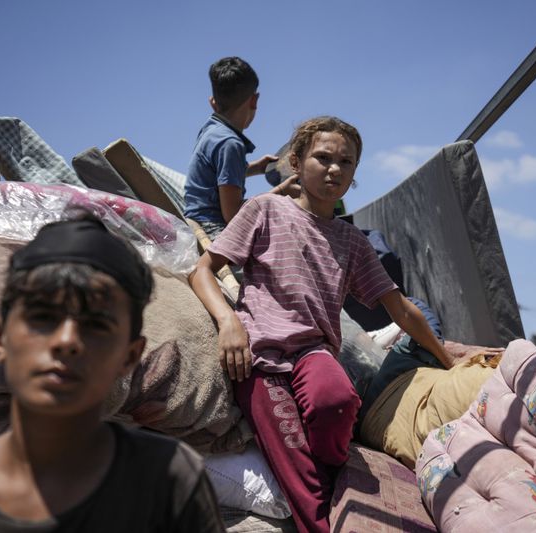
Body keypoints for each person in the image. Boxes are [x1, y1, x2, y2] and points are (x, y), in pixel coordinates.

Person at [188, 116, 457, 533]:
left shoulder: (353, 243)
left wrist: (447, 359)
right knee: (292, 454)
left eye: (345, 162)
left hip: (313, 351)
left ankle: (332, 473)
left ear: (354, 174)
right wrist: (228, 322)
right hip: (259, 355)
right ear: (296, 162)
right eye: (323, 158)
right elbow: (203, 270)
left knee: (338, 401)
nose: (334, 169)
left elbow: (401, 310)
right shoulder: (265, 210)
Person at [0, 217, 225, 533]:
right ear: (0, 337)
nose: (67, 341)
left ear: (129, 357)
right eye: (43, 317)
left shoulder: (169, 477)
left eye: (96, 325)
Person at [184, 56, 299, 239]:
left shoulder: (211, 130)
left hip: (195, 221)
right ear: (254, 100)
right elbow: (233, 215)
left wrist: (255, 168)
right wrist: (281, 192)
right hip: (213, 228)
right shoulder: (230, 144)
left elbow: (214, 175)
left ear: (212, 102)